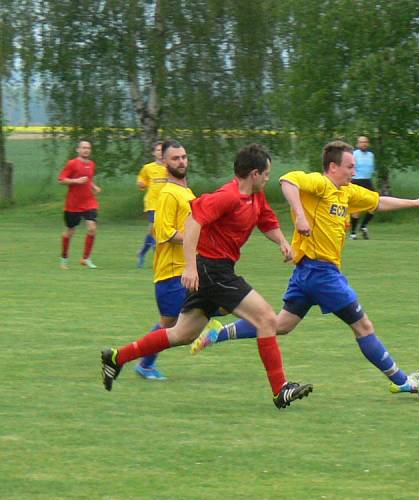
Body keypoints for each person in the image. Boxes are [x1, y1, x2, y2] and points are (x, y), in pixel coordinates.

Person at [190, 140, 419, 395]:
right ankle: (401, 381)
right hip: (322, 274)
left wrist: (415, 202)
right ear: (333, 167)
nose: (354, 172)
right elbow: (288, 181)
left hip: (308, 274)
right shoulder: (320, 184)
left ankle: (219, 333)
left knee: (280, 325)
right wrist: (299, 214)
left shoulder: (348, 193)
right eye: (349, 166)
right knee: (363, 326)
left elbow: (377, 203)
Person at [101, 143, 313, 409]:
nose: (269, 178)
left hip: (217, 270)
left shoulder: (255, 197)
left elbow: (266, 221)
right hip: (213, 270)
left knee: (181, 334)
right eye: (267, 173)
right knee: (267, 318)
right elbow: (193, 222)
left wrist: (282, 241)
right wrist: (190, 267)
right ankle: (280, 388)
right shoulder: (228, 196)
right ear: (255, 174)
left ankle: (117, 357)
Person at [133, 140, 196, 381]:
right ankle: (135, 360)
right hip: (171, 273)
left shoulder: (187, 192)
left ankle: (142, 363)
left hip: (185, 270)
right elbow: (165, 233)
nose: (181, 161)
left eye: (183, 157)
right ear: (165, 163)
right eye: (175, 158)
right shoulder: (168, 194)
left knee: (170, 325)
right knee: (173, 326)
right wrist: (194, 239)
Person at [58, 140, 101, 269]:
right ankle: (64, 259)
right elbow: (61, 180)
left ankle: (86, 258)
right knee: (69, 231)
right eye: (83, 148)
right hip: (73, 204)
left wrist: (94, 186)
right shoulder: (72, 164)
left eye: (88, 148)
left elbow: (88, 180)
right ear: (78, 149)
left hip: (89, 202)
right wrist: (76, 181)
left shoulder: (92, 164)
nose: (86, 150)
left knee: (92, 228)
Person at [135, 140, 169, 268]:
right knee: (155, 229)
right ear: (154, 153)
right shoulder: (148, 168)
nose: (160, 153)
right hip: (152, 203)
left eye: (163, 150)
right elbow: (141, 180)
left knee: (154, 231)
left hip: (167, 203)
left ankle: (142, 253)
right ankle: (159, 259)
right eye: (158, 150)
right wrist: (141, 184)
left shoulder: (169, 166)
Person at [349, 135, 376, 240]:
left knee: (374, 205)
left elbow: (371, 170)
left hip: (367, 181)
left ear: (368, 143)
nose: (363, 144)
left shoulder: (371, 155)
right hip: (356, 181)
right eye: (361, 142)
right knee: (357, 209)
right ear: (358, 144)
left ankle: (363, 226)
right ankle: (353, 233)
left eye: (365, 142)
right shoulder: (354, 154)